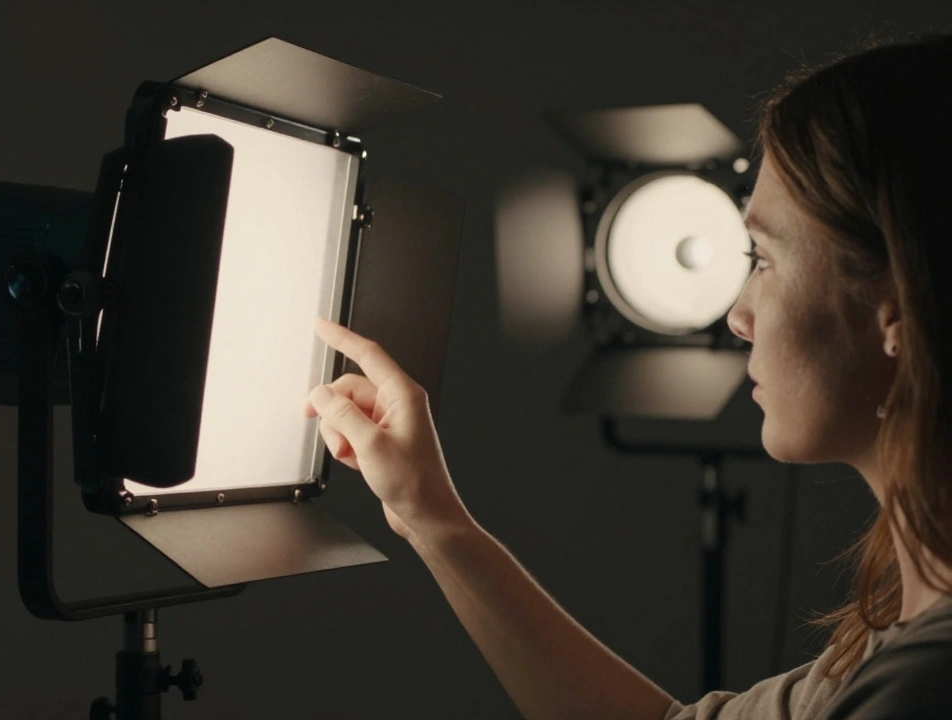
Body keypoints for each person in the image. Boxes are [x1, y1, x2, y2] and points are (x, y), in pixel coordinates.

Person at [303, 33, 952, 720]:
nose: (738, 317)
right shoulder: (889, 651)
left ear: (897, 306)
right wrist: (429, 514)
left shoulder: (921, 686)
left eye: (763, 259)